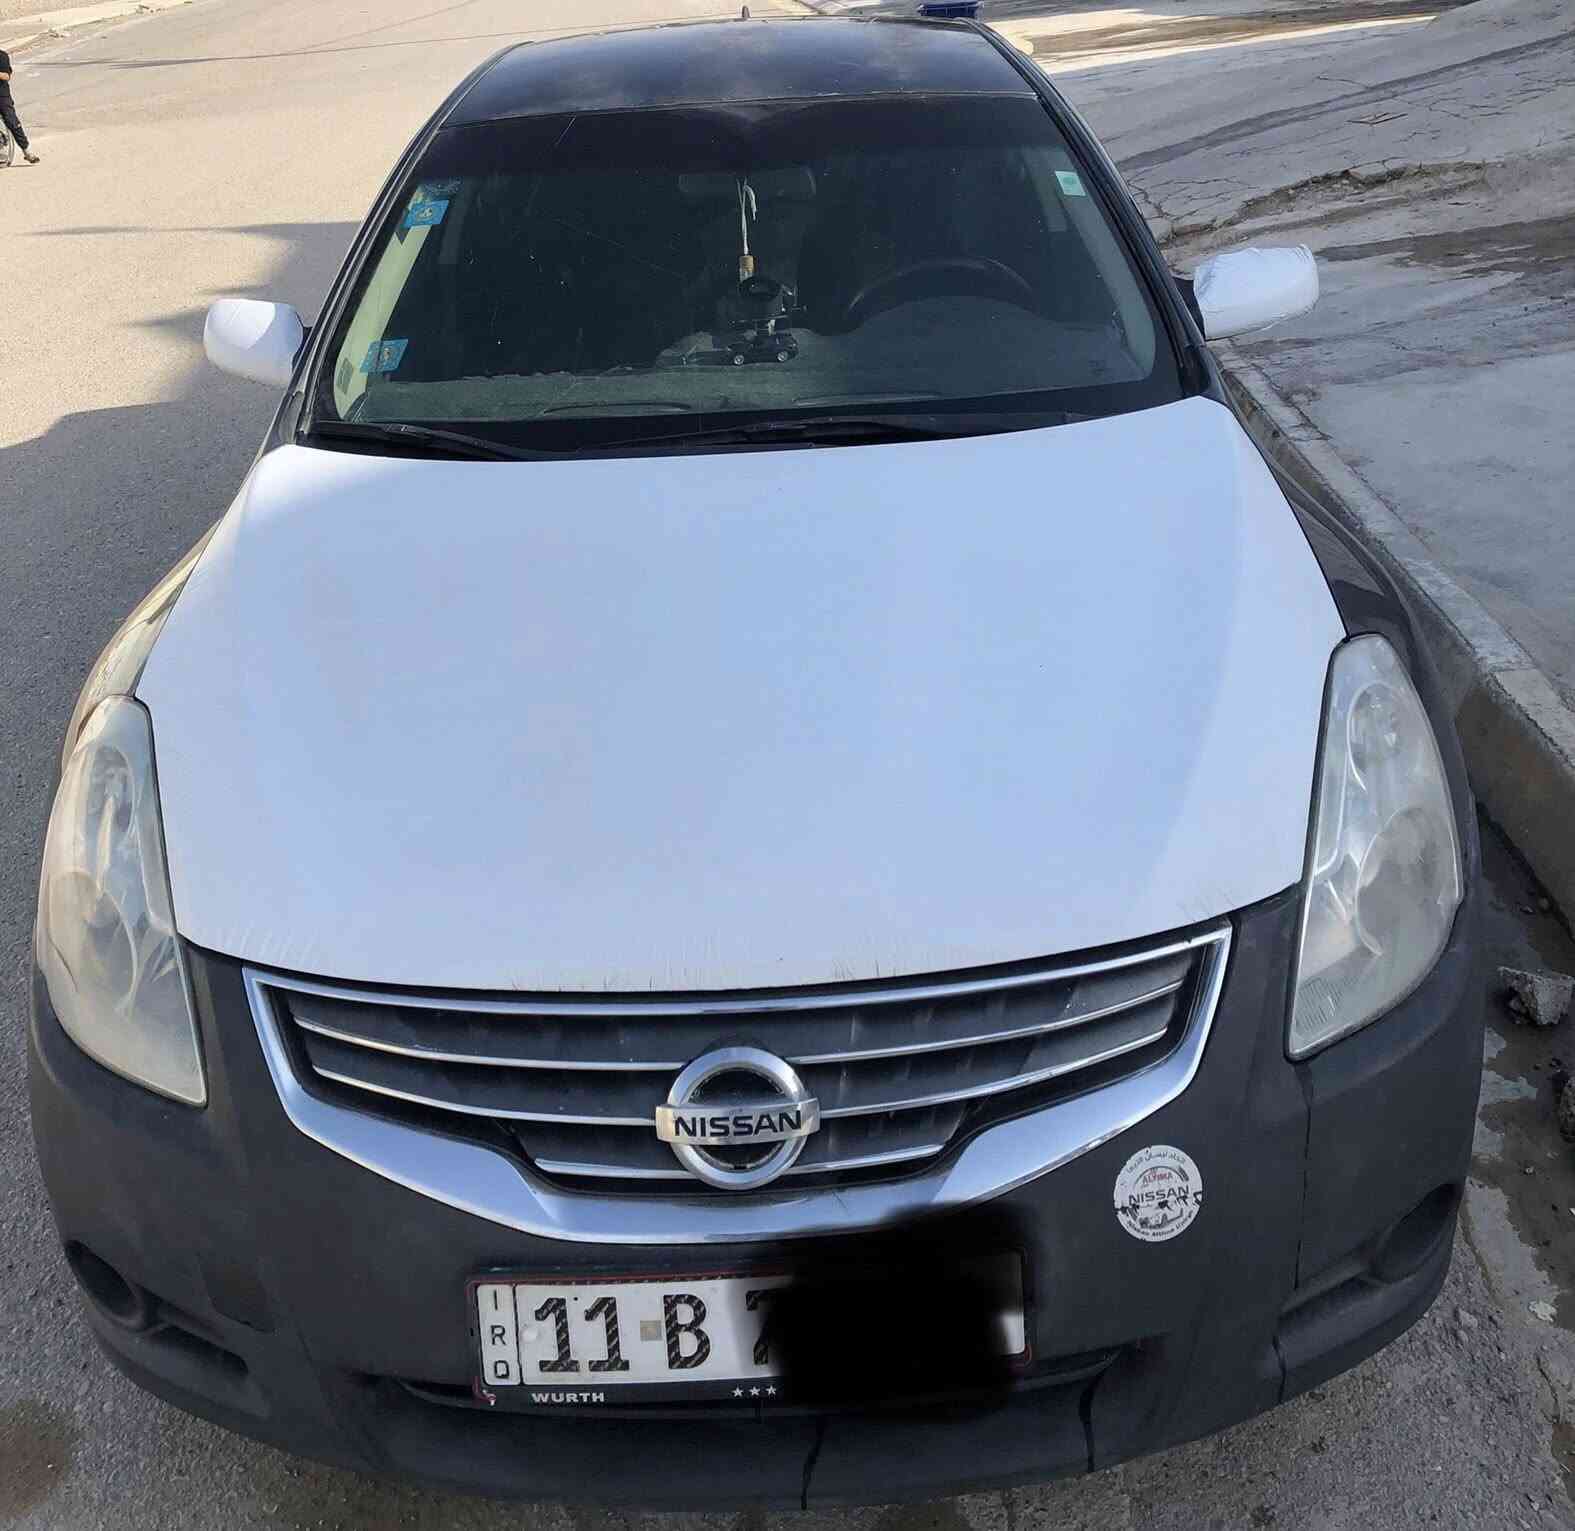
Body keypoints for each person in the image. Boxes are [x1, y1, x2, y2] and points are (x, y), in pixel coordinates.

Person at [0, 48, 41, 164]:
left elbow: (6, 76)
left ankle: (27, 151)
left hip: (1, 95)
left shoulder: (2, 56)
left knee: (11, 120)